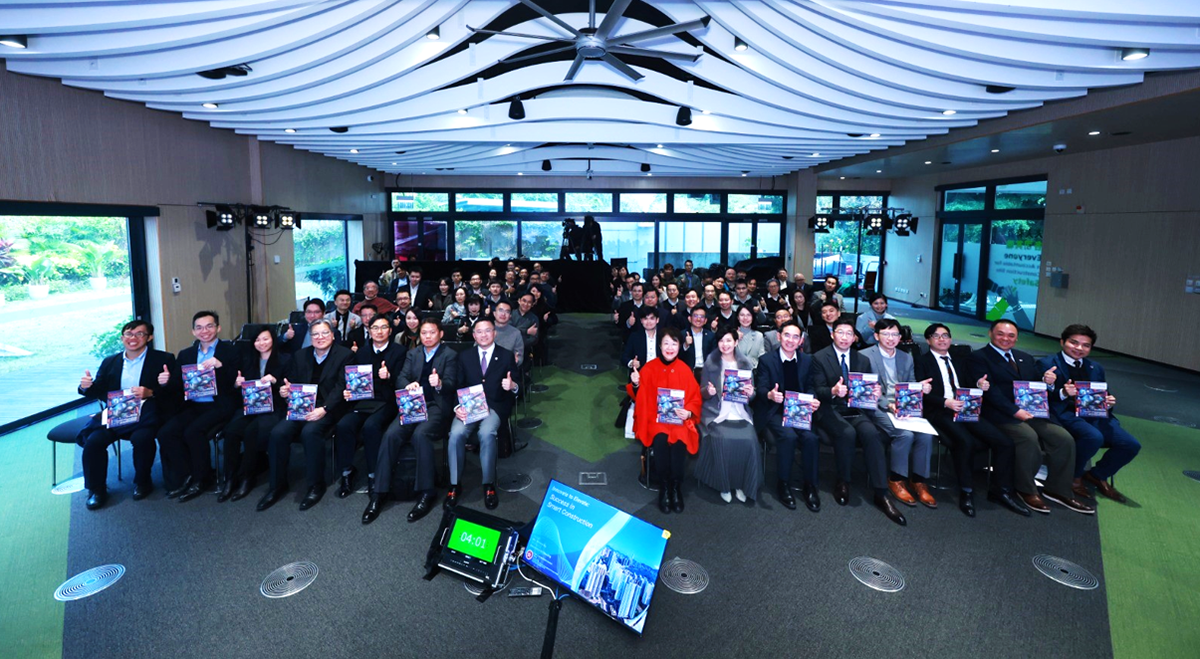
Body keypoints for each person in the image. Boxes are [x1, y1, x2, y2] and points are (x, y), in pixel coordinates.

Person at [968, 319, 1093, 514]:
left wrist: (1047, 381)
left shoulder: (1024, 358)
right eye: (1000, 334)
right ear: (991, 334)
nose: (1005, 339)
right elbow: (990, 393)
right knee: (1028, 437)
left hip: (1032, 411)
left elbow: (1036, 386)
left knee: (1063, 438)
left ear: (1017, 338)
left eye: (1011, 335)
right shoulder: (978, 357)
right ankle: (1025, 489)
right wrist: (1014, 411)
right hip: (999, 413)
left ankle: (1058, 489)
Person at [914, 323, 1028, 517]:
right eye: (936, 336)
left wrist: (978, 384)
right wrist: (945, 402)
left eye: (946, 335)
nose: (942, 339)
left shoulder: (960, 359)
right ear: (928, 340)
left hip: (967, 408)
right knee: (965, 442)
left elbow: (969, 383)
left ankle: (1001, 490)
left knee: (1004, 442)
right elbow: (919, 393)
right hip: (940, 411)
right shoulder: (921, 361)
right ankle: (966, 492)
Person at [75, 320, 180, 510]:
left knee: (142, 439)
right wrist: (85, 387)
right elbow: (99, 391)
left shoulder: (163, 359)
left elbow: (174, 391)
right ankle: (96, 489)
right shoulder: (110, 362)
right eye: (129, 334)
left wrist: (152, 392)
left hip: (146, 414)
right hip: (117, 414)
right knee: (93, 442)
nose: (133, 338)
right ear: (122, 338)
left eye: (140, 334)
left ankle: (143, 481)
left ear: (149, 338)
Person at [364, 318, 459, 525]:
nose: (427, 336)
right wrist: (409, 385)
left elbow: (452, 384)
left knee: (420, 435)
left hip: (435, 405)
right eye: (424, 333)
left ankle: (426, 492)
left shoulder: (450, 355)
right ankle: (378, 492)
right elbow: (400, 378)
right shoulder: (413, 353)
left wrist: (440, 383)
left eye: (432, 332)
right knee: (390, 435)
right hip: (411, 403)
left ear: (440, 334)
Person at [811, 317, 904, 525]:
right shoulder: (818, 357)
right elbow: (817, 389)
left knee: (872, 434)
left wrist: (875, 391)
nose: (844, 337)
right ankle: (843, 481)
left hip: (855, 409)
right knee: (847, 433)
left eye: (849, 334)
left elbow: (866, 389)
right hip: (830, 408)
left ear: (854, 338)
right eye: (840, 332)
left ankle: (881, 492)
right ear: (832, 334)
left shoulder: (861, 359)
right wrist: (833, 391)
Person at [258, 319, 354, 512]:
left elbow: (341, 387)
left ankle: (316, 485)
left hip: (328, 408)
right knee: (278, 433)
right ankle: (277, 485)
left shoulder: (346, 355)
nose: (320, 338)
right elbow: (290, 383)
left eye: (325, 333)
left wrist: (324, 408)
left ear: (333, 335)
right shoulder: (300, 355)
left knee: (310, 433)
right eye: (315, 334)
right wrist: (285, 391)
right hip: (300, 406)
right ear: (310, 338)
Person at [1037, 324, 1140, 503]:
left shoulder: (1095, 367)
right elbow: (1038, 397)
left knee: (1130, 444)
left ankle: (1097, 475)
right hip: (1065, 413)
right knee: (1093, 437)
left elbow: (1103, 393)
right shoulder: (1047, 364)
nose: (1079, 348)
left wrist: (1109, 403)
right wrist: (1060, 391)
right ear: (1062, 342)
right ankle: (1073, 476)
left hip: (1095, 413)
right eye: (1074, 343)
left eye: (1086, 345)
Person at [158, 310, 240, 502]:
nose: (205, 331)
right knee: (165, 433)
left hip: (219, 404)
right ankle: (188, 475)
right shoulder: (186, 354)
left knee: (192, 432)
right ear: (193, 332)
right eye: (199, 328)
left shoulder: (231, 351)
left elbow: (235, 384)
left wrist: (221, 367)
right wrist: (165, 381)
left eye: (210, 326)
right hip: (193, 405)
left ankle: (201, 479)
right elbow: (177, 385)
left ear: (218, 328)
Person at [860, 319, 937, 509]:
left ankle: (919, 481)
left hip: (903, 406)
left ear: (900, 337)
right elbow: (865, 391)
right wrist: (889, 405)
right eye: (885, 334)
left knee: (926, 435)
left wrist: (919, 389)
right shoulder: (864, 356)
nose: (890, 338)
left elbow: (909, 385)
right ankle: (896, 479)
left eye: (894, 334)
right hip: (877, 406)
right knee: (905, 434)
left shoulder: (906, 357)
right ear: (876, 336)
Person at [446, 318, 518, 511]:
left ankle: (489, 484)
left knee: (486, 433)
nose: (484, 335)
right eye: (479, 331)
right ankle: (454, 484)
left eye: (488, 331)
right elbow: (458, 385)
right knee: (456, 434)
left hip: (494, 406)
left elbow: (518, 384)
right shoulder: (465, 356)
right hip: (469, 406)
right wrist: (457, 407)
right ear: (474, 335)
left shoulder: (506, 355)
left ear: (494, 333)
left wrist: (513, 386)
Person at [628, 327, 701, 514]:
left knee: (679, 442)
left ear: (679, 346)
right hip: (656, 419)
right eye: (666, 343)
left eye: (674, 343)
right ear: (660, 346)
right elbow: (640, 396)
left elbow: (694, 399)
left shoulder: (685, 370)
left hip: (678, 419)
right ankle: (664, 487)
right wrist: (636, 383)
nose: (670, 348)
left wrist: (689, 412)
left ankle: (675, 486)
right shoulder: (650, 368)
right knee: (660, 440)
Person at [332, 314, 406, 498]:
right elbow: (354, 381)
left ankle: (375, 475)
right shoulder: (362, 353)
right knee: (343, 426)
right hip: (364, 401)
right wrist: (349, 392)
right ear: (369, 331)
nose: (379, 331)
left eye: (383, 327)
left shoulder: (399, 351)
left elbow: (403, 382)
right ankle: (347, 473)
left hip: (387, 401)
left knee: (371, 426)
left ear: (390, 330)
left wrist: (389, 377)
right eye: (375, 328)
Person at [756, 321, 822, 512]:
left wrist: (813, 400)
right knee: (789, 437)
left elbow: (810, 386)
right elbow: (760, 387)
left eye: (795, 336)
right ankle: (783, 483)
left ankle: (810, 485)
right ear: (779, 336)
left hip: (799, 409)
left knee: (811, 438)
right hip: (775, 410)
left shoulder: (807, 360)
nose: (790, 340)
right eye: (787, 335)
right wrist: (769, 394)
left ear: (801, 340)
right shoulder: (766, 360)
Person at [221, 327, 290, 503]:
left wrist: (277, 382)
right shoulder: (247, 360)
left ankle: (246, 477)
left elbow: (290, 386)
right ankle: (229, 478)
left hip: (273, 408)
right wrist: (237, 385)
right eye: (257, 340)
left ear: (273, 340)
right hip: (250, 407)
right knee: (231, 432)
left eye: (265, 339)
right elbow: (237, 388)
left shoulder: (285, 359)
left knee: (252, 431)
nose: (261, 343)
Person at [695, 328, 763, 503]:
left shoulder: (746, 364)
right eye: (721, 341)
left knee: (749, 440)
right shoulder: (711, 363)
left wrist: (750, 392)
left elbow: (752, 394)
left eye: (728, 340)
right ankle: (724, 484)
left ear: (736, 342)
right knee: (723, 439)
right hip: (717, 411)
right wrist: (708, 391)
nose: (724, 345)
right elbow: (702, 393)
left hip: (739, 411)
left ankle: (740, 483)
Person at [680, 306, 715, 381]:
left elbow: (714, 356)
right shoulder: (682, 335)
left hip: (706, 372)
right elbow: (678, 356)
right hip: (688, 372)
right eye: (695, 316)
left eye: (702, 317)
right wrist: (685, 345)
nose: (698, 319)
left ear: (705, 320)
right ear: (689, 318)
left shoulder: (710, 336)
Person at [623, 306, 661, 373]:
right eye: (645, 319)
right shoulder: (634, 336)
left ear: (657, 320)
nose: (648, 322)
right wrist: (632, 363)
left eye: (652, 318)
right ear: (641, 321)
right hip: (640, 374)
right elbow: (624, 357)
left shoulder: (664, 336)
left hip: (661, 373)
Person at [491, 300, 525, 366]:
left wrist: (516, 361)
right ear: (494, 313)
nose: (503, 314)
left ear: (510, 316)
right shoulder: (486, 329)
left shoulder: (516, 333)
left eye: (507, 311)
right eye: (500, 310)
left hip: (507, 367)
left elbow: (520, 356)